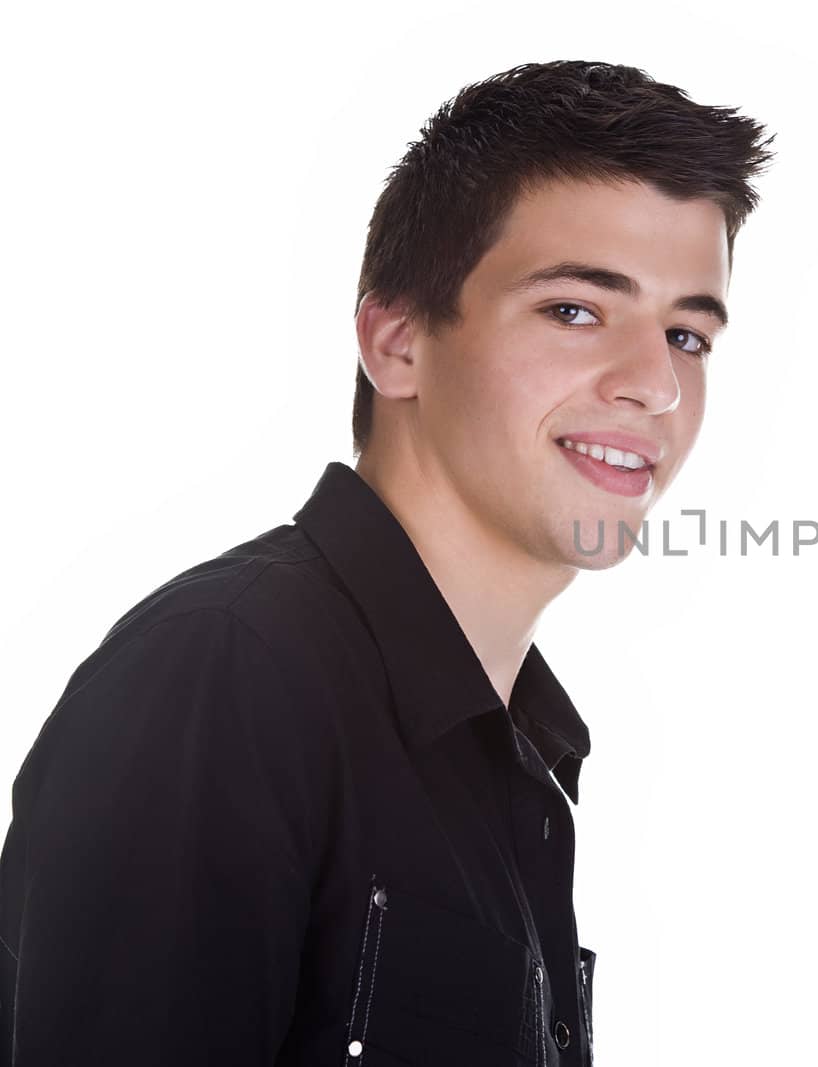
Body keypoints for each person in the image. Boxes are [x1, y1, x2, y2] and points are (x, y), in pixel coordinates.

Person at [0, 59, 775, 1065]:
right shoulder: (226, 675)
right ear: (397, 341)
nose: (655, 386)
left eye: (686, 334)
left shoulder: (517, 751)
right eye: (576, 310)